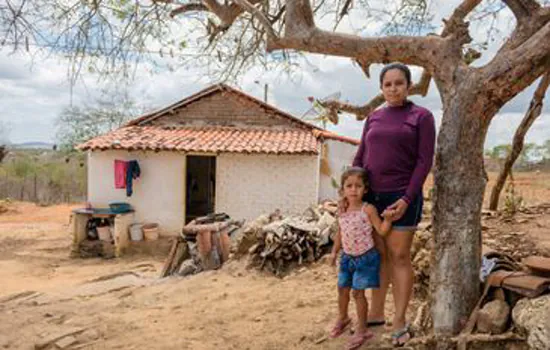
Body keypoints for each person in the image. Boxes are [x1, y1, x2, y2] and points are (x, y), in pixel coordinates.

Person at [353, 62, 436, 346]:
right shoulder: (373, 118)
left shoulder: (421, 117)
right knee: (378, 255)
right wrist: (352, 195)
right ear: (381, 88)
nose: (393, 88)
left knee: (399, 256)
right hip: (373, 196)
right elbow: (361, 155)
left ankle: (400, 320)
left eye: (398, 83)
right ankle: (376, 314)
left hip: (403, 195)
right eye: (387, 84)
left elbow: (425, 161)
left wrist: (406, 198)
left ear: (409, 86)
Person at [328, 167, 394, 350]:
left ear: (365, 189)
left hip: (365, 259)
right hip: (347, 258)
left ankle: (362, 329)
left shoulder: (368, 209)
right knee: (342, 289)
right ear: (343, 190)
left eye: (358, 186)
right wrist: (334, 252)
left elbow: (381, 230)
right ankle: (343, 318)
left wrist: (387, 219)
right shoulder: (342, 209)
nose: (353, 190)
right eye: (349, 186)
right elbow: (341, 232)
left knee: (358, 294)